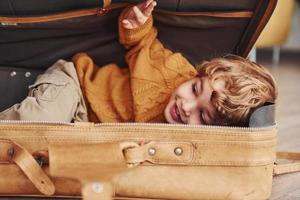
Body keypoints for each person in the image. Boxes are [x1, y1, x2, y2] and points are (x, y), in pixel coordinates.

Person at [0, 0, 277, 126]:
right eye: (194, 90)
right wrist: (137, 25)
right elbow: (142, 45)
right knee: (36, 122)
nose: (186, 106)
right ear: (198, 75)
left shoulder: (191, 140)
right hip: (76, 86)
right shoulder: (172, 70)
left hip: (84, 128)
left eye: (202, 116)